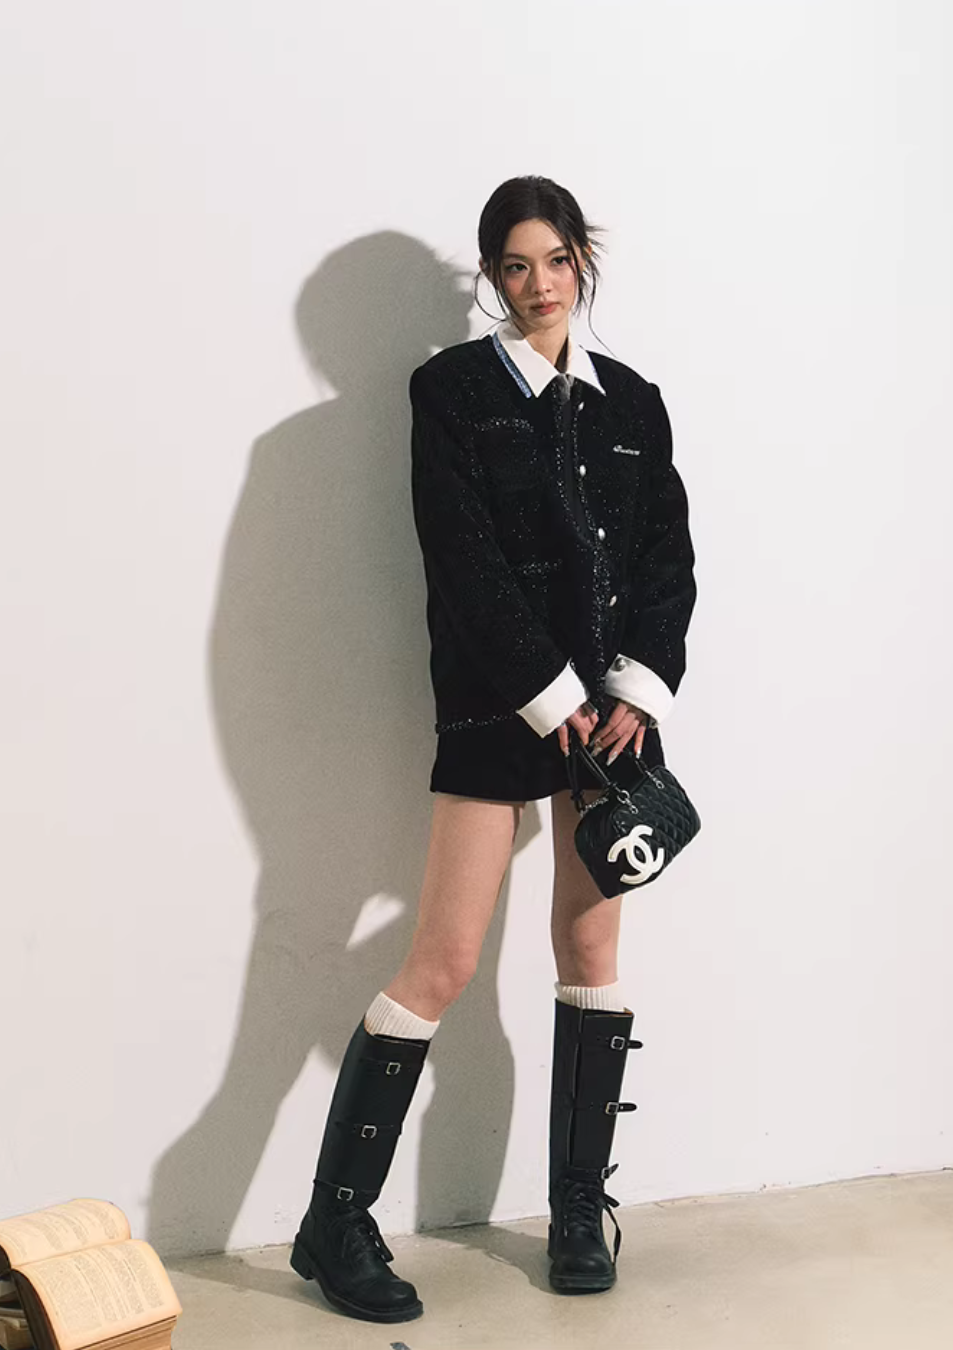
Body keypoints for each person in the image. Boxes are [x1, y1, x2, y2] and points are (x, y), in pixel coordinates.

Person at [289, 175, 697, 1323]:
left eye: (555, 261)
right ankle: (334, 1221)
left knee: (590, 944)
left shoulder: (634, 402)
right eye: (514, 266)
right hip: (499, 705)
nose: (538, 285)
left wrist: (635, 688)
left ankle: (576, 1211)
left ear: (582, 261)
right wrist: (551, 697)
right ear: (490, 276)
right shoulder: (454, 391)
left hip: (611, 721)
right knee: (446, 959)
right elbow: (460, 558)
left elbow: (667, 557)